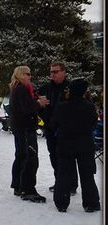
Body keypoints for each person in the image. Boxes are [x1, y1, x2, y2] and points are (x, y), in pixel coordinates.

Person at [52, 79, 101, 213]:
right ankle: (91, 203)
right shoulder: (90, 107)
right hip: (85, 144)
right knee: (87, 174)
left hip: (65, 144)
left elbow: (54, 123)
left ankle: (61, 203)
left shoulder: (62, 106)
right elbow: (93, 124)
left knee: (63, 173)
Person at [8, 65, 50, 203]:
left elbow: (24, 106)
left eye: (30, 74)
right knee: (30, 157)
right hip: (25, 128)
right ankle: (27, 189)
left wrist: (36, 100)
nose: (29, 76)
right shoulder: (21, 89)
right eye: (27, 74)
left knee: (21, 155)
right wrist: (39, 103)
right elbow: (27, 108)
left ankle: (18, 186)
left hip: (21, 128)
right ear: (20, 74)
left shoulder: (18, 88)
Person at [38, 62, 76, 195]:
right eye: (51, 72)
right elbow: (39, 106)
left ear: (64, 72)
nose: (53, 74)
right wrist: (43, 113)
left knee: (67, 157)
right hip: (50, 128)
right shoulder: (45, 88)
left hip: (66, 129)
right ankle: (59, 181)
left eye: (56, 71)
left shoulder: (71, 88)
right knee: (53, 155)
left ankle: (71, 184)